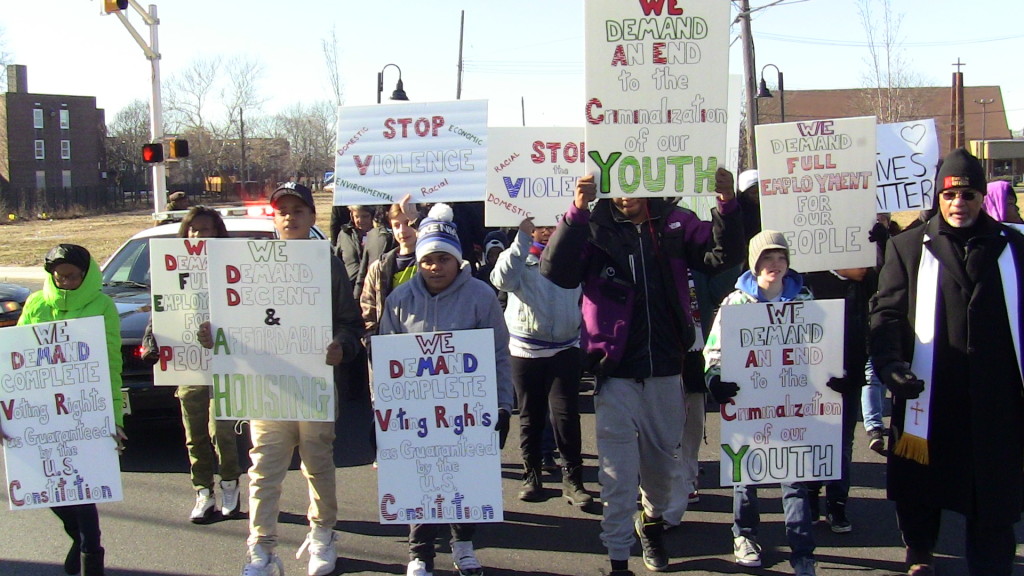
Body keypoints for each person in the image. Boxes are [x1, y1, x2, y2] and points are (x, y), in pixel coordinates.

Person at [540, 169, 744, 576]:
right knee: (615, 476)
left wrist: (727, 204)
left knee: (664, 473)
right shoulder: (594, 225)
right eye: (619, 188)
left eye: (635, 188)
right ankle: (618, 560)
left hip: (666, 370)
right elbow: (556, 271)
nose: (626, 196)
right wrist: (577, 211)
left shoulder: (675, 221)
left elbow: (721, 257)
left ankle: (650, 523)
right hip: (614, 374)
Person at [870, 148, 1024, 576]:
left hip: (996, 402)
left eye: (970, 195)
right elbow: (886, 314)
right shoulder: (907, 247)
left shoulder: (1014, 247)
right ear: (939, 196)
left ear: (980, 198)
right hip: (929, 397)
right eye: (951, 195)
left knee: (993, 508)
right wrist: (889, 364)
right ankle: (921, 555)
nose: (960, 204)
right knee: (922, 496)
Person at [199, 182, 363, 576]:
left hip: (313, 389)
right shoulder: (250, 263)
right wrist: (212, 334)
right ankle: (262, 549)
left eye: (298, 210)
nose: (290, 216)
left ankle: (323, 535)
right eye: (282, 210)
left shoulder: (327, 263)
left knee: (318, 466)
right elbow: (236, 323)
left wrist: (342, 345)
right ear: (273, 217)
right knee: (263, 471)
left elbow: (350, 323)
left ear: (311, 217)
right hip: (267, 388)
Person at [377, 203, 513, 576]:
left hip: (468, 413)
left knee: (464, 479)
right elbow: (386, 361)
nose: (434, 267)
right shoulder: (399, 301)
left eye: (442, 258)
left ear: (457, 260)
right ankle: (419, 554)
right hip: (415, 416)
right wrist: (382, 410)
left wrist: (503, 405)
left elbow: (499, 354)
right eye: (427, 260)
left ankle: (464, 544)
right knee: (419, 481)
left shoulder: (481, 297)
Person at [704, 230, 820, 576]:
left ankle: (803, 551)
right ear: (754, 264)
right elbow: (714, 348)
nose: (775, 265)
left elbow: (823, 347)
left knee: (795, 478)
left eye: (781, 257)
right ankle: (745, 534)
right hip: (748, 405)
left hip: (793, 403)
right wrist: (715, 379)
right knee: (747, 475)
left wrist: (833, 378)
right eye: (767, 258)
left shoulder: (805, 298)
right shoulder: (736, 303)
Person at [13, 244, 127, 576]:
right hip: (42, 412)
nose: (64, 282)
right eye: (58, 276)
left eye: (72, 276)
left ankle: (92, 555)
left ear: (86, 274)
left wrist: (113, 419)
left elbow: (111, 363)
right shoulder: (35, 303)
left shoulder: (103, 306)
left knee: (82, 488)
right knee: (47, 487)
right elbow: (19, 360)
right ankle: (78, 539)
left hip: (86, 411)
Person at [141, 206, 242, 524]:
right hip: (188, 363)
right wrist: (151, 341)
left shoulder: (231, 266)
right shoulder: (171, 268)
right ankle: (203, 491)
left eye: (206, 229)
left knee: (222, 429)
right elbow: (162, 306)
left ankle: (230, 485)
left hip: (224, 360)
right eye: (193, 229)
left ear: (217, 233)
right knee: (194, 433)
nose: (198, 235)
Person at [490, 216, 591, 507]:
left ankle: (573, 480)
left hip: (566, 346)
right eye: (541, 226)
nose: (547, 232)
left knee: (566, 415)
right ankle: (531, 475)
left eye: (553, 225)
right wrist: (521, 239)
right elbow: (501, 280)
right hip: (525, 349)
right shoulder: (520, 258)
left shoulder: (573, 255)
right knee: (530, 416)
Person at [335, 204, 376, 299]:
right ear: (351, 216)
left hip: (372, 291)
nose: (360, 220)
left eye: (365, 216)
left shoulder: (381, 237)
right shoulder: (344, 235)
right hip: (349, 291)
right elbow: (337, 261)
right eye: (357, 216)